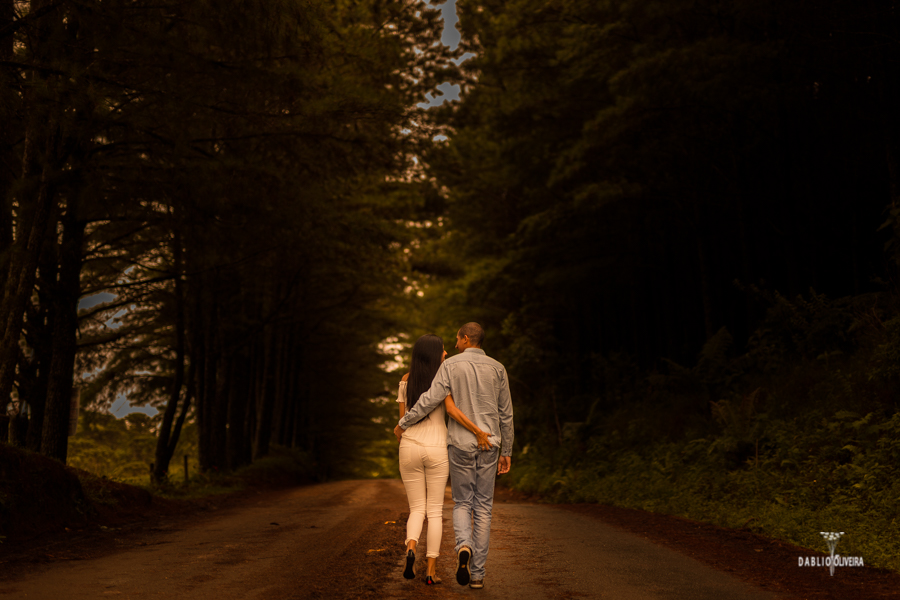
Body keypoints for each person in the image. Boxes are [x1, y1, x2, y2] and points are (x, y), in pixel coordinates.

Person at [394, 323, 514, 591]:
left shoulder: (449, 367)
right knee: (483, 508)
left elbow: (428, 400)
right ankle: (477, 575)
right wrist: (506, 451)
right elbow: (506, 413)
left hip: (459, 444)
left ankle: (463, 546)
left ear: (466, 338)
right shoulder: (498, 368)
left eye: (458, 339)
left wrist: (404, 422)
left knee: (461, 503)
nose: (454, 345)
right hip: (490, 444)